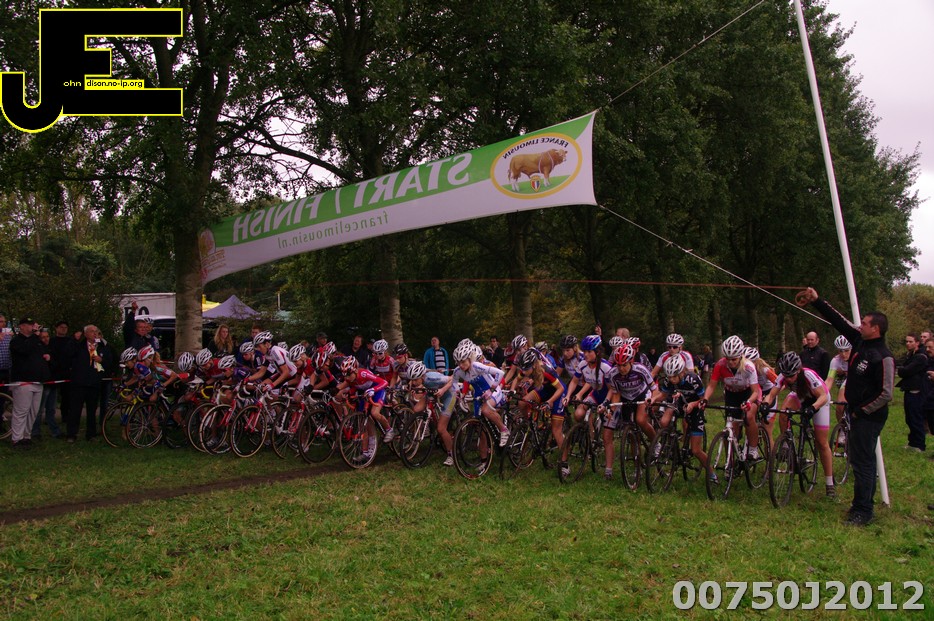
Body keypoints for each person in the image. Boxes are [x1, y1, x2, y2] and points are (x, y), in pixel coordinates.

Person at [796, 287, 894, 526]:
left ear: (876, 329)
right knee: (860, 459)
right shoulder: (860, 340)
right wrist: (817, 300)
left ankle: (863, 511)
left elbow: (886, 393)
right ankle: (863, 503)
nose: (861, 326)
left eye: (866, 324)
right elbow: (838, 321)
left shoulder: (883, 356)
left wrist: (861, 411)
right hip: (856, 413)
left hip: (869, 417)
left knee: (863, 462)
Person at [766, 352, 836, 499]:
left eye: (791, 376)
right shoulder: (783, 376)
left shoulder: (808, 375)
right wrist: (765, 404)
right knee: (784, 412)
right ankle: (786, 443)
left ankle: (829, 483)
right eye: (786, 376)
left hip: (819, 399)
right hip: (801, 396)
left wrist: (813, 408)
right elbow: (772, 394)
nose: (788, 379)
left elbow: (823, 396)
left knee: (822, 443)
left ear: (798, 370)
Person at [700, 335, 762, 460]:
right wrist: (705, 399)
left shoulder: (748, 367)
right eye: (728, 359)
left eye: (734, 359)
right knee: (732, 429)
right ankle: (732, 461)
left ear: (740, 356)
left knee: (749, 417)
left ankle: (753, 449)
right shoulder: (720, 365)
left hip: (748, 394)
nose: (731, 362)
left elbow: (756, 391)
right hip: (731, 394)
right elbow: (711, 386)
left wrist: (749, 402)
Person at [9, 316, 50, 448]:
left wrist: (46, 356)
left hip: (38, 381)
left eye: (32, 324)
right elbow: (25, 350)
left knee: (33, 412)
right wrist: (35, 336)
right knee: (21, 411)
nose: (32, 327)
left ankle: (26, 436)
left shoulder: (36, 341)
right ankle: (17, 438)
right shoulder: (16, 341)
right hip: (23, 381)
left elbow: (42, 352)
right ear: (21, 326)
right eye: (28, 324)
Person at [67, 325, 107, 441]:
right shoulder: (79, 346)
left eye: (96, 331)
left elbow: (110, 360)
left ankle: (91, 434)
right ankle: (72, 434)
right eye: (92, 331)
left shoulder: (102, 346)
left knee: (92, 410)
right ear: (85, 334)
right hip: (79, 382)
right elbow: (68, 354)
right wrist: (74, 339)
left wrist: (102, 360)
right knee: (75, 409)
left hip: (94, 383)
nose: (94, 333)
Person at [897, 333, 928, 452]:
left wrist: (902, 370)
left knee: (915, 417)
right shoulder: (911, 355)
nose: (908, 344)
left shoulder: (921, 357)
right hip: (909, 389)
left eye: (910, 341)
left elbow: (906, 371)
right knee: (909, 418)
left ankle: (919, 444)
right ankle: (912, 442)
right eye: (907, 341)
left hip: (917, 391)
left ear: (917, 343)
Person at [31, 327, 62, 439]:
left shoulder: (52, 349)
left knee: (51, 409)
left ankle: (55, 431)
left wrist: (50, 360)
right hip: (43, 383)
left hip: (52, 383)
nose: (46, 339)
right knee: (39, 409)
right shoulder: (37, 349)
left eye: (47, 336)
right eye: (43, 337)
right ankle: (35, 431)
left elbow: (57, 364)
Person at [0, 314, 12, 392]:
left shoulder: (8, 336)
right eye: (1, 321)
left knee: (4, 392)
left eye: (4, 322)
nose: (3, 324)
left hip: (6, 370)